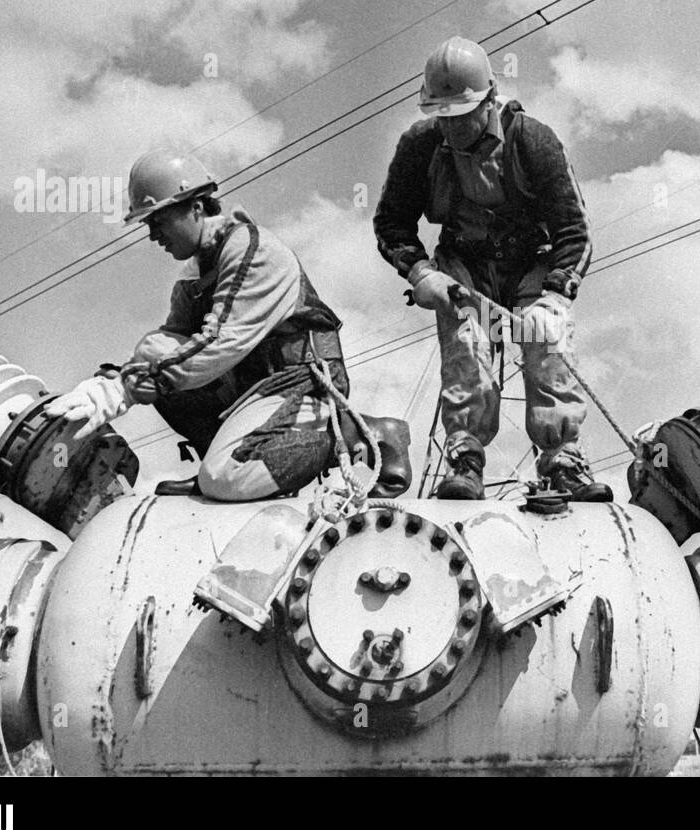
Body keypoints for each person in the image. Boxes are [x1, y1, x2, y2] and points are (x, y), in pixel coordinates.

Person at [45, 149, 409, 501]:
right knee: (153, 352)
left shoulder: (252, 249)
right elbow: (168, 356)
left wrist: (126, 390)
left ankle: (359, 433)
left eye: (158, 220)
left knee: (224, 477)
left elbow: (219, 344)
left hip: (303, 381)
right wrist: (116, 380)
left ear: (197, 207)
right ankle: (224, 454)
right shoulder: (193, 278)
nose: (153, 235)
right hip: (254, 387)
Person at [373, 36, 611, 501]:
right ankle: (465, 456)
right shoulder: (420, 147)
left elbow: (574, 230)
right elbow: (390, 222)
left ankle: (562, 458)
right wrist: (420, 272)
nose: (454, 126)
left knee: (548, 344)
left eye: (463, 114)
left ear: (489, 98)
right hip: (465, 267)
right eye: (444, 116)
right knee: (465, 347)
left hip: (533, 265)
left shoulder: (533, 140)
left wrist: (557, 294)